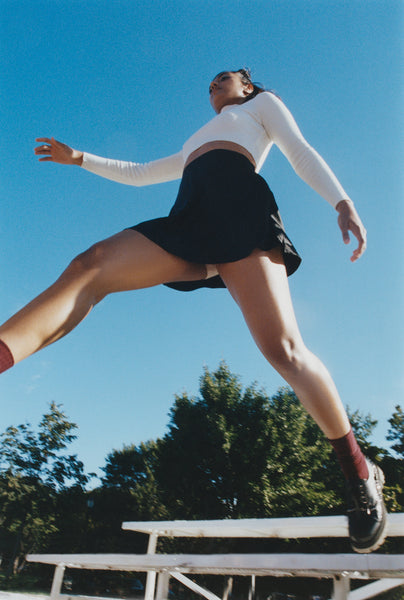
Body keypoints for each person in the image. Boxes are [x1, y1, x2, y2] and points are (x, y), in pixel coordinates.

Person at [0, 68, 386, 552]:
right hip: (191, 220)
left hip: (241, 210)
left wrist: (341, 201)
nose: (213, 84)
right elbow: (140, 174)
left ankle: (358, 471)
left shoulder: (260, 108)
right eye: (209, 83)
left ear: (248, 86)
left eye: (224, 78)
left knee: (285, 351)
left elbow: (299, 150)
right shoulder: (194, 140)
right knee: (92, 265)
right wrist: (80, 158)